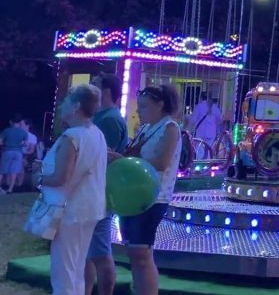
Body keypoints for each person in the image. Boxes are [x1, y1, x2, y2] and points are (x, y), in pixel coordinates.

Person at [108, 85, 181, 295]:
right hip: (135, 195)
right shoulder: (147, 128)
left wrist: (124, 160)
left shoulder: (170, 128)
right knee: (135, 252)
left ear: (161, 105)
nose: (139, 111)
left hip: (153, 197)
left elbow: (161, 162)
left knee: (141, 253)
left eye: (144, 106)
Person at [37, 84, 107, 295]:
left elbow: (61, 177)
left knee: (64, 272)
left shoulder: (72, 137)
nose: (60, 107)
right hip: (90, 208)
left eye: (66, 102)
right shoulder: (96, 134)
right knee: (76, 268)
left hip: (69, 210)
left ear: (76, 106)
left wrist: (38, 178)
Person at [85, 73, 129, 295]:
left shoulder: (109, 120)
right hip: (91, 191)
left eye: (95, 85)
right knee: (89, 251)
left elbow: (106, 156)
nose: (90, 88)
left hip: (100, 192)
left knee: (100, 251)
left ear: (106, 92)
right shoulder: (102, 117)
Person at [1, 114, 29, 193]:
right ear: (19, 122)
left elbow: (0, 142)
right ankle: (10, 189)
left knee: (2, 170)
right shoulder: (23, 132)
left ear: (11, 122)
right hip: (18, 153)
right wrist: (19, 144)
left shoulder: (6, 130)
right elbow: (26, 144)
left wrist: (7, 143)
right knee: (14, 171)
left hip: (7, 151)